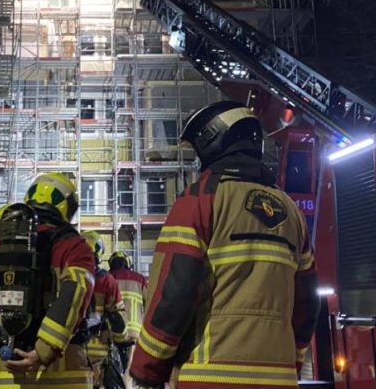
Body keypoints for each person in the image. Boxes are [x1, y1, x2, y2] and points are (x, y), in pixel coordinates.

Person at [130, 101, 320, 389]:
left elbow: (174, 294)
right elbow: (307, 303)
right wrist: (290, 362)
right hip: (280, 379)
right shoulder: (291, 212)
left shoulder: (199, 200)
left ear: (213, 142)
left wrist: (147, 370)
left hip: (211, 377)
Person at [0, 173, 97, 388]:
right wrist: (43, 350)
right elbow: (76, 291)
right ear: (65, 206)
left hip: (4, 371)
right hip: (62, 374)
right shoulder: (75, 247)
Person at [82, 232, 126, 388]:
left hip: (72, 352)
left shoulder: (67, 276)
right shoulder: (107, 281)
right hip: (98, 351)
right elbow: (118, 321)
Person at [107, 251, 147, 383]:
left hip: (114, 333)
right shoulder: (140, 279)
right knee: (129, 375)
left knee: (111, 373)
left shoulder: (108, 277)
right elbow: (151, 303)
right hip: (134, 333)